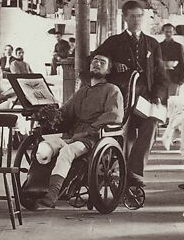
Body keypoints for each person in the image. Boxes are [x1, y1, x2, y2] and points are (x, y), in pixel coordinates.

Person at [94, 0, 168, 190]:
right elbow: (94, 62)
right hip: (121, 101)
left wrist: (158, 97)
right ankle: (119, 171)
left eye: (139, 16)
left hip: (145, 100)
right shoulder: (113, 42)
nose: (136, 20)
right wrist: (112, 64)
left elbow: (161, 76)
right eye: (132, 16)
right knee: (123, 135)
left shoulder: (152, 44)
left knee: (152, 124)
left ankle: (133, 172)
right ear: (125, 17)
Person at [39, 53, 125, 208]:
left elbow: (114, 115)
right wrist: (50, 115)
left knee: (67, 151)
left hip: (93, 138)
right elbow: (66, 111)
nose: (97, 64)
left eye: (102, 62)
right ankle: (34, 189)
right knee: (44, 147)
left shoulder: (112, 90)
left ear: (108, 70)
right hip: (72, 135)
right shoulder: (83, 91)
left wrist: (90, 130)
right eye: (95, 61)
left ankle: (53, 192)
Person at [158, 23, 184, 107]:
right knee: (161, 102)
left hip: (174, 79)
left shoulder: (178, 46)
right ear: (163, 32)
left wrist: (182, 79)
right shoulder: (159, 46)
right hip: (161, 79)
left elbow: (183, 63)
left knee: (172, 102)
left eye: (170, 31)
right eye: (166, 32)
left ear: (173, 32)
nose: (168, 34)